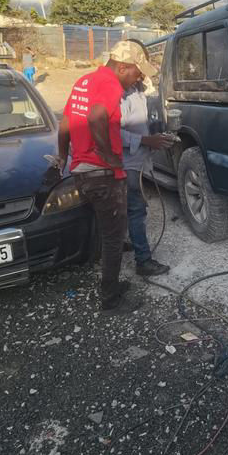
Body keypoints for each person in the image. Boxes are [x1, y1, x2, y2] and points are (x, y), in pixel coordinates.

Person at [57, 41, 144, 314]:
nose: (138, 78)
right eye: (137, 72)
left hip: (82, 173)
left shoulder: (85, 81)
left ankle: (112, 286)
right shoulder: (110, 83)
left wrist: (62, 156)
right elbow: (96, 118)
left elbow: (66, 123)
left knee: (106, 233)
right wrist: (109, 157)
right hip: (102, 175)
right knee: (113, 238)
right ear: (123, 67)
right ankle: (110, 300)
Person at [120, 40, 173, 276]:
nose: (142, 75)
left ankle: (123, 242)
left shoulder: (136, 89)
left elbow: (139, 122)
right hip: (128, 164)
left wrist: (155, 134)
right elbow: (112, 133)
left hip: (139, 161)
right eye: (139, 69)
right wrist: (145, 140)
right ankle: (143, 261)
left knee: (129, 209)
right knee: (136, 210)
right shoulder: (119, 95)